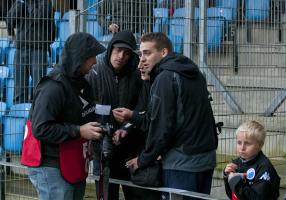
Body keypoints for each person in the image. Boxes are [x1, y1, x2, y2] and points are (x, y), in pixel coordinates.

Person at [126, 32, 218, 200]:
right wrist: (133, 116)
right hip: (206, 159)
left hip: (182, 165)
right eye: (140, 54)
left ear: (163, 52)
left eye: (147, 53)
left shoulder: (166, 78)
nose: (142, 59)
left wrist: (143, 160)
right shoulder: (194, 72)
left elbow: (161, 129)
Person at [27, 32, 106, 200]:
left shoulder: (82, 83)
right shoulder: (52, 87)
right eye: (91, 56)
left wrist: (99, 128)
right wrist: (78, 131)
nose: (94, 61)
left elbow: (86, 117)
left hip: (74, 162)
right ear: (80, 57)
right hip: (52, 166)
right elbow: (40, 128)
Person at [87, 30, 156, 200]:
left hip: (130, 149)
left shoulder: (137, 74)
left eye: (126, 53)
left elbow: (143, 108)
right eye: (118, 50)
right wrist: (102, 131)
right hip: (101, 148)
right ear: (110, 49)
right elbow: (87, 109)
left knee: (134, 194)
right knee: (106, 195)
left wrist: (126, 129)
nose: (121, 56)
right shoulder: (94, 71)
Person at [6, 0, 55, 103]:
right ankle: (19, 115)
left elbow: (38, 17)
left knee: (39, 88)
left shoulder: (45, 3)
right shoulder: (20, 2)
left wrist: (29, 3)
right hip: (20, 49)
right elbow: (10, 20)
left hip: (38, 49)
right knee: (19, 91)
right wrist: (19, 4)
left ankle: (39, 117)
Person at [223, 120, 280, 200]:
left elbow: (258, 198)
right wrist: (227, 176)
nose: (242, 148)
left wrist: (235, 182)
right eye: (239, 143)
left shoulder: (264, 168)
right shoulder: (236, 163)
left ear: (259, 145)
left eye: (247, 143)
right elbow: (232, 195)